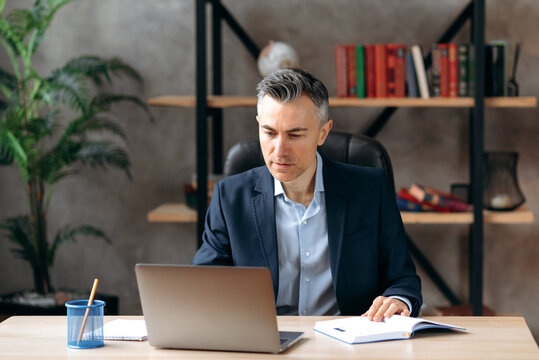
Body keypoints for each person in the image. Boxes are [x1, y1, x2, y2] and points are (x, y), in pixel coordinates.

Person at [191, 68, 422, 321]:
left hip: (348, 341)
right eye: (269, 133)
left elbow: (403, 278)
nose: (279, 151)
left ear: (323, 132)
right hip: (264, 341)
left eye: (294, 135)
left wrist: (398, 300)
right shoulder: (229, 197)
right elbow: (204, 281)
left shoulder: (370, 190)